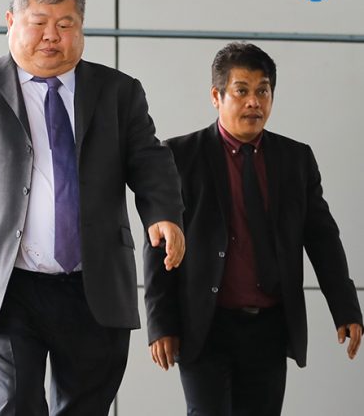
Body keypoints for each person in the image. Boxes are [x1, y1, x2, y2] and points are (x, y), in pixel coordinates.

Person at [0, 0, 185, 416]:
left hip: (94, 282)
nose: (51, 36)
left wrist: (163, 213)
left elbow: (150, 160)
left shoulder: (118, 92)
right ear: (11, 21)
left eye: (65, 24)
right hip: (9, 280)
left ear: (81, 28)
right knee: (17, 401)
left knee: (86, 404)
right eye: (39, 22)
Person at [144, 42, 363, 416]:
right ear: (217, 96)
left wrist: (345, 308)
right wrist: (160, 323)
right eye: (241, 91)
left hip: (269, 327)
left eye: (263, 91)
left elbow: (323, 238)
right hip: (205, 324)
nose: (254, 102)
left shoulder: (295, 159)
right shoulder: (179, 156)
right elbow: (159, 245)